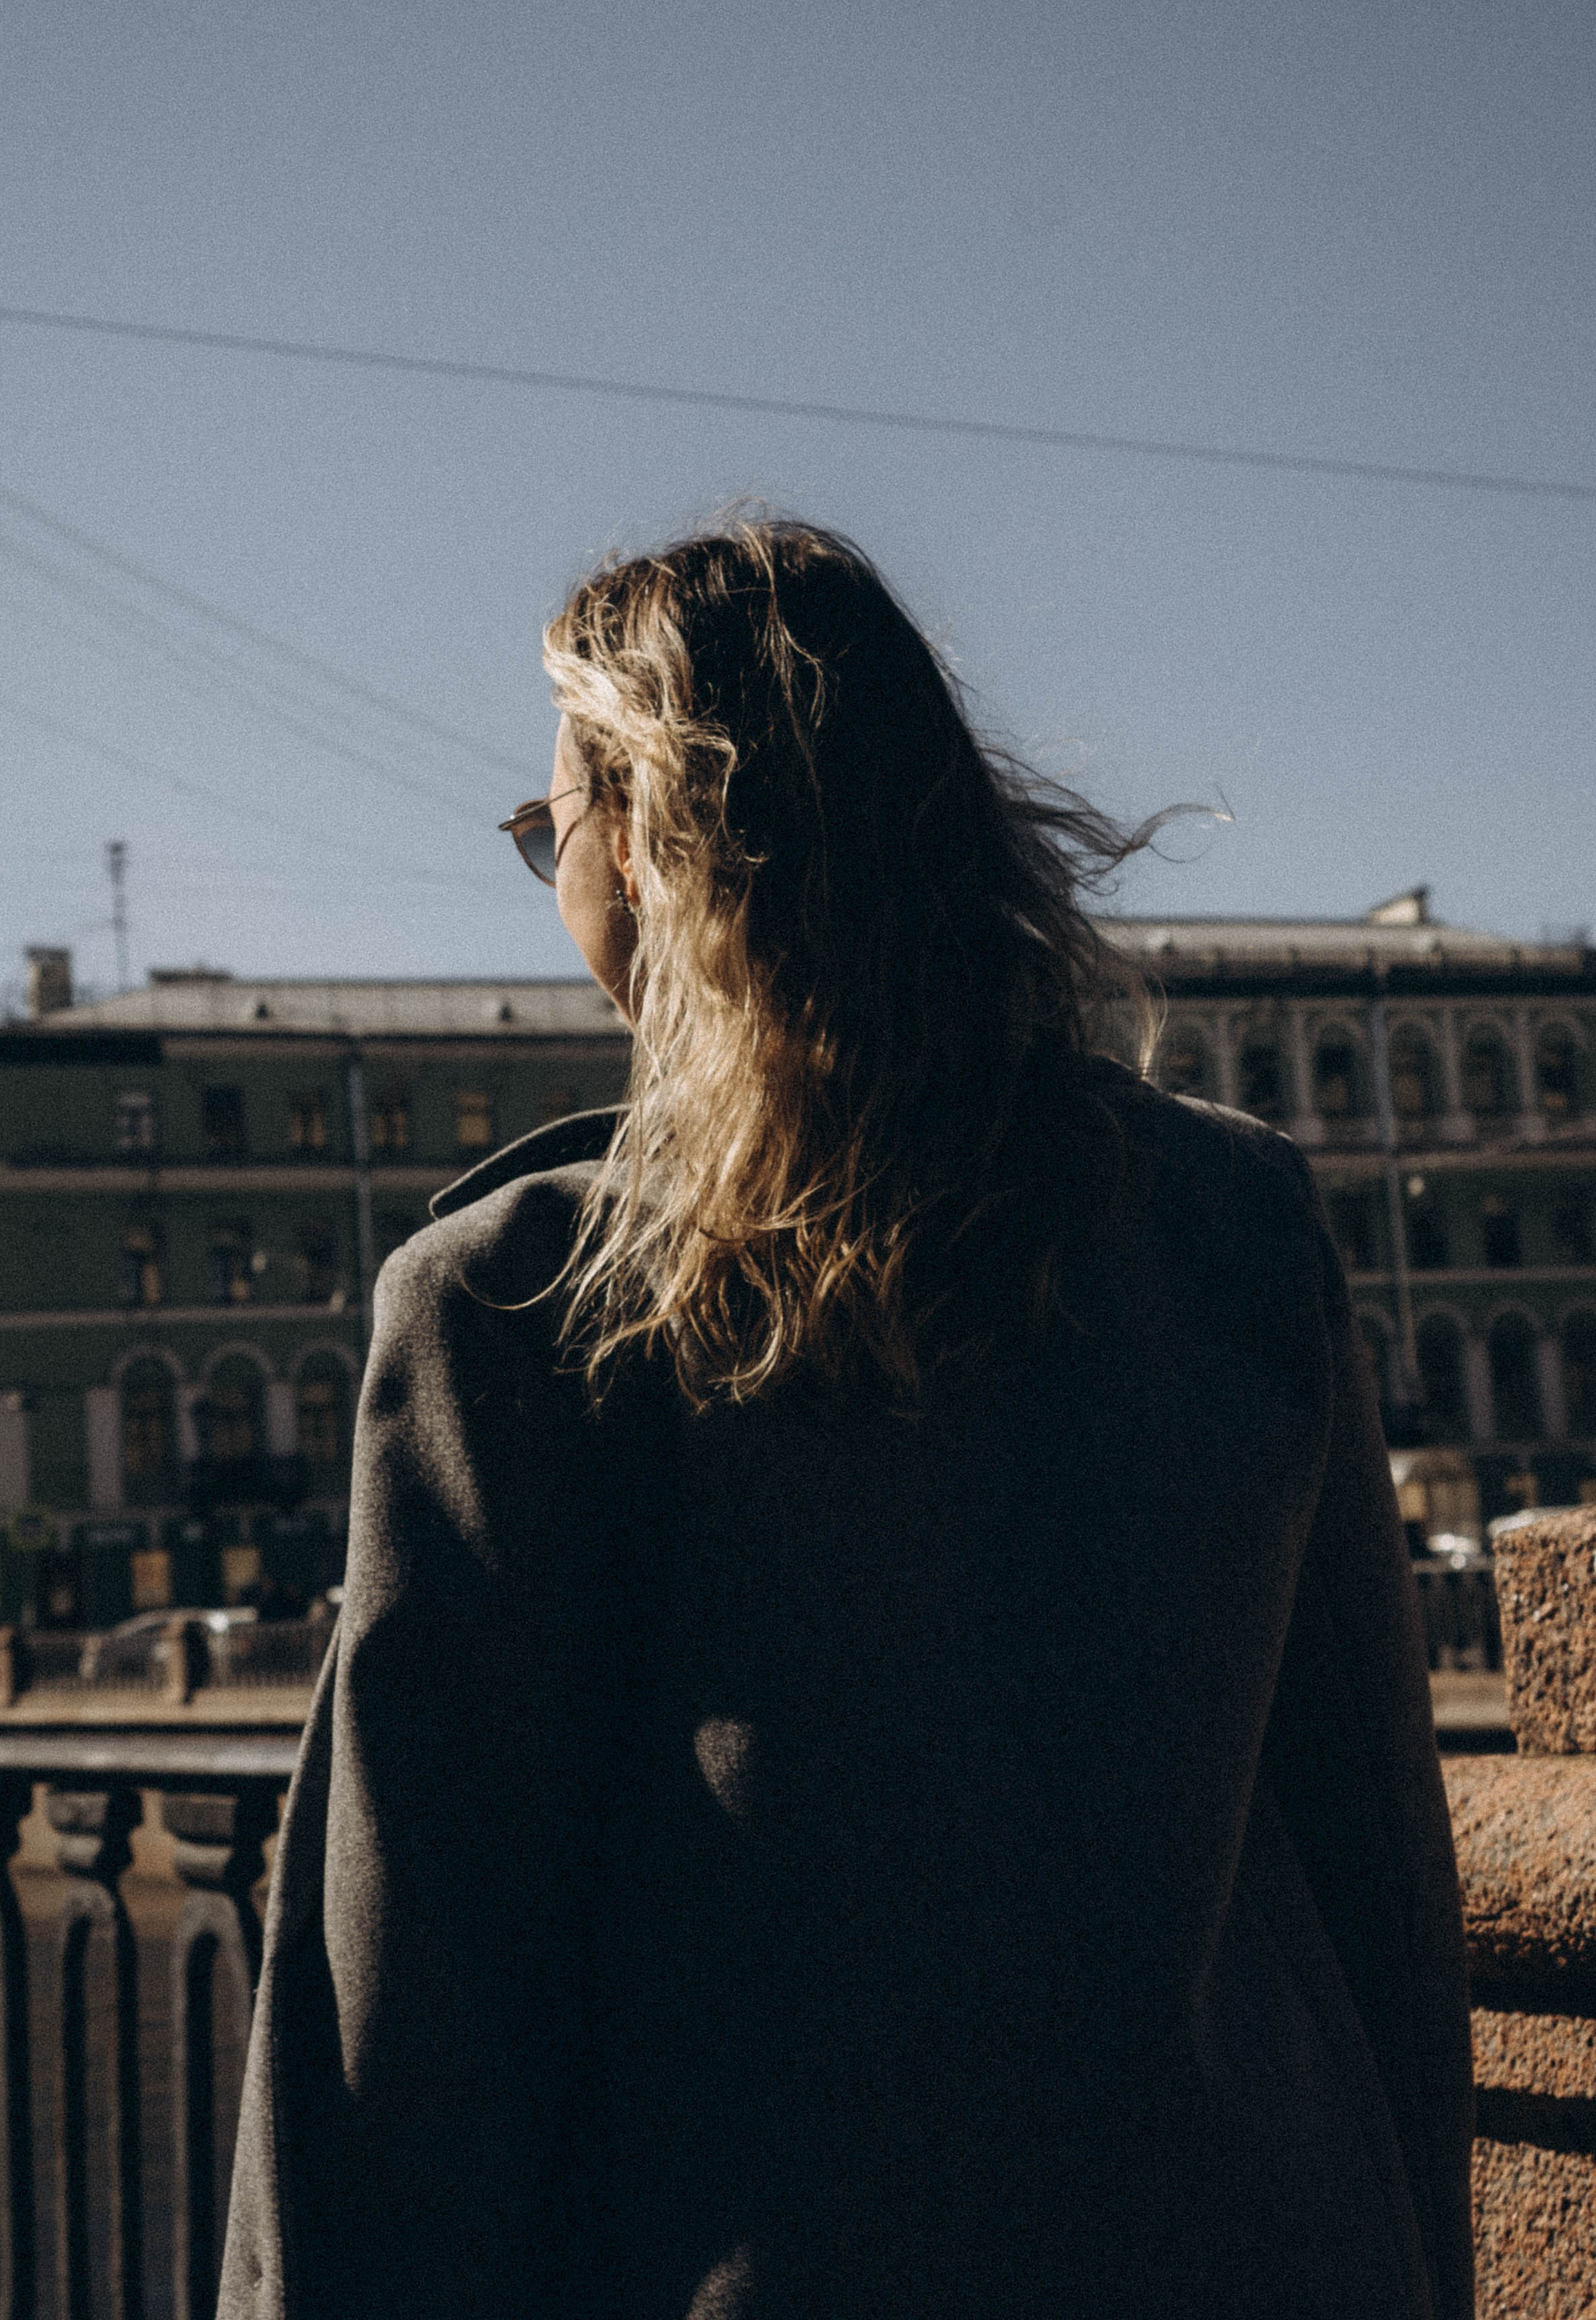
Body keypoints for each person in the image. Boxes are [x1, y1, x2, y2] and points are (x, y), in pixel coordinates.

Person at [219, 520, 1473, 2320]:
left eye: (545, 825)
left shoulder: (522, 1308)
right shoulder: (1232, 1227)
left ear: (650, 841)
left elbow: (409, 2029)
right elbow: (1380, 1893)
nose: (552, 869)